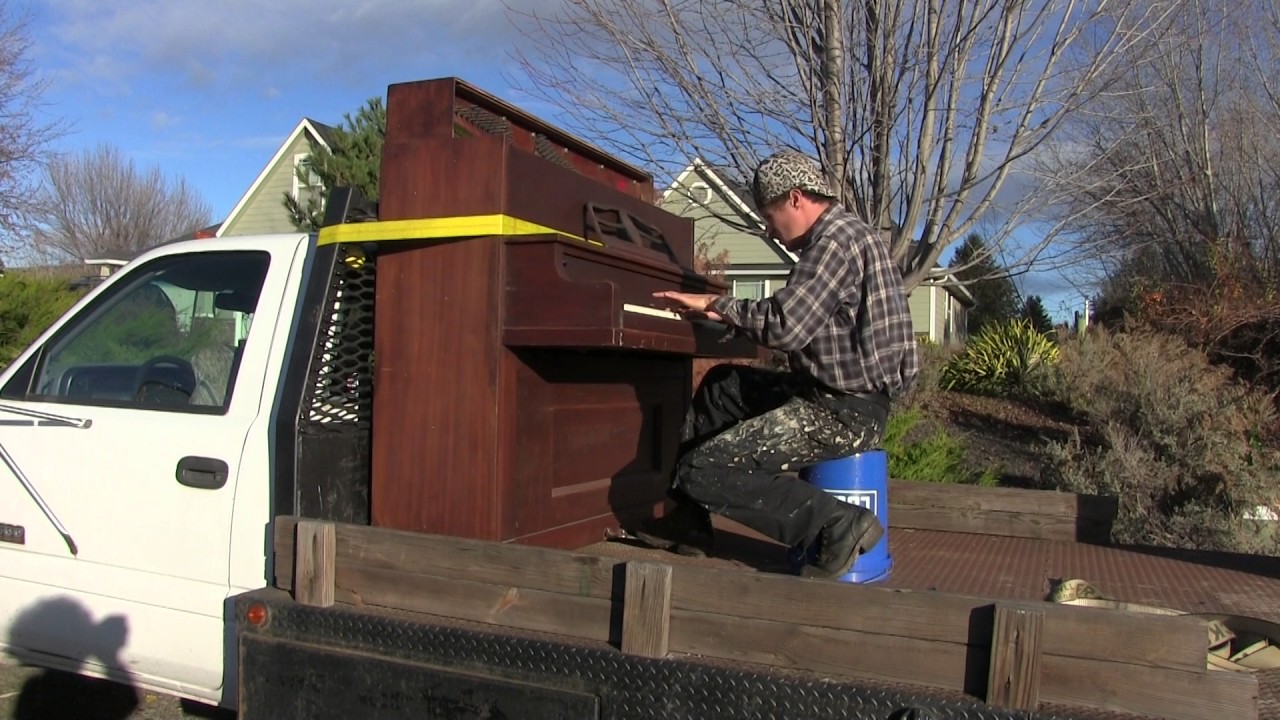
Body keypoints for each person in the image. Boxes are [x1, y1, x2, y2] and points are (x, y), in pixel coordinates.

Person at [634, 150, 919, 579]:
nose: (769, 230)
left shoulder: (834, 242)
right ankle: (689, 524)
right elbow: (801, 320)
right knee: (723, 384)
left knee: (702, 468)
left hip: (843, 410)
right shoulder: (846, 235)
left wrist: (717, 303)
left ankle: (837, 525)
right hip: (839, 395)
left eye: (769, 216)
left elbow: (785, 327)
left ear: (796, 199)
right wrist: (725, 316)